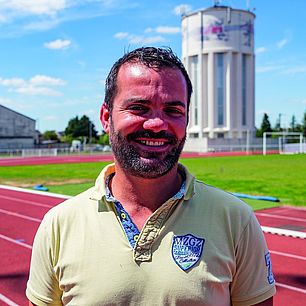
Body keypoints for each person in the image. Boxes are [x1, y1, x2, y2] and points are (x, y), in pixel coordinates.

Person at [26, 47, 276, 306]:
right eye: (138, 107)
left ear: (187, 119)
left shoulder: (236, 220)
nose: (156, 124)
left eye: (173, 110)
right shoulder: (58, 224)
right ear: (106, 117)